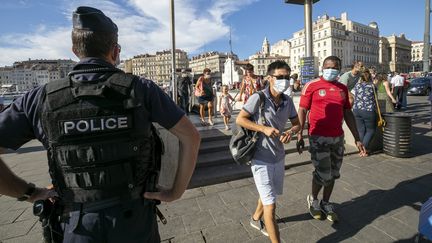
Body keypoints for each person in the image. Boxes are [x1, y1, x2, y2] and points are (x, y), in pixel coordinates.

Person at [0, 6, 200, 242]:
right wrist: (175, 192)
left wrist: (29, 193)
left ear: (75, 51)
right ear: (115, 51)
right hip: (134, 220)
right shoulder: (142, 90)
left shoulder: (40, 99)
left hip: (76, 224)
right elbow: (191, 136)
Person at [236, 60, 300, 243]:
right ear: (270, 78)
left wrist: (290, 132)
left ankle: (255, 219)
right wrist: (263, 128)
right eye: (280, 77)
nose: (285, 80)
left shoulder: (287, 101)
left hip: (279, 157)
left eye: (287, 77)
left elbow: (297, 124)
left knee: (268, 193)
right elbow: (240, 119)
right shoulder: (259, 97)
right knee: (271, 207)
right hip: (260, 158)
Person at [298, 56, 366, 223]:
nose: (331, 69)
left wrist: (357, 138)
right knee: (322, 173)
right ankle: (313, 199)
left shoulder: (342, 88)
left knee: (333, 174)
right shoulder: (311, 86)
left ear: (340, 69)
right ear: (322, 67)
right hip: (317, 137)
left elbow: (348, 113)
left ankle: (326, 202)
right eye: (328, 66)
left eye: (335, 67)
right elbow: (302, 110)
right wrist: (299, 134)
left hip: (337, 138)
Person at [351, 68, 377, 154]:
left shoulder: (357, 85)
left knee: (360, 130)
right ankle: (364, 150)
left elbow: (352, 94)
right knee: (371, 130)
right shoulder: (372, 86)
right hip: (368, 110)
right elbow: (376, 97)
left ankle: (360, 150)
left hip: (357, 110)